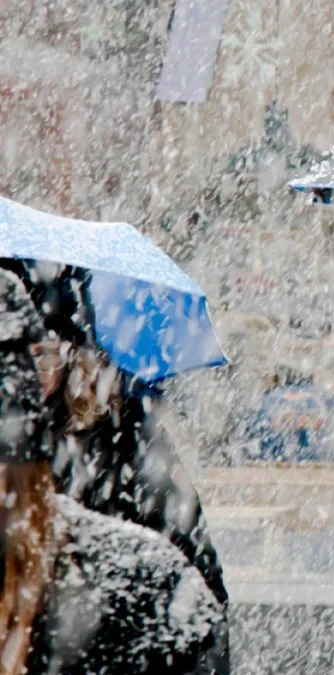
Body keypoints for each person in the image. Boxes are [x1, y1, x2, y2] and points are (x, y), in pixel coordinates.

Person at [0, 260, 231, 672]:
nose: (24, 381)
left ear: (73, 353)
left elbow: (193, 585)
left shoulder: (124, 431)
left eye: (42, 356)